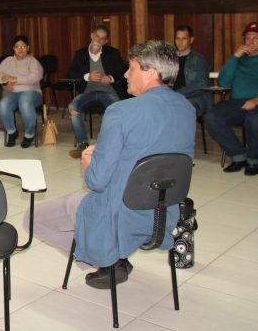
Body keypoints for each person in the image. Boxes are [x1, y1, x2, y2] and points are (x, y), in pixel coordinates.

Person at [25, 40, 195, 289]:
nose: (125, 75)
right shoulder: (187, 108)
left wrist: (87, 162)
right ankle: (112, 258)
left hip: (120, 214)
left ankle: (109, 261)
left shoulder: (120, 111)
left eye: (131, 68)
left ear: (150, 72)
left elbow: (96, 181)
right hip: (163, 213)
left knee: (32, 218)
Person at [204, 21, 258, 176]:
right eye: (248, 37)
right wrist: (235, 57)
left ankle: (253, 160)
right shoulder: (239, 60)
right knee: (211, 116)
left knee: (254, 117)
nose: (251, 41)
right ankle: (238, 155)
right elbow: (223, 82)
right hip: (239, 102)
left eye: (256, 38)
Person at [67, 25, 126, 158]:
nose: (99, 40)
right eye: (97, 36)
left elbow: (122, 73)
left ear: (106, 42)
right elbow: (72, 73)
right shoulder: (80, 53)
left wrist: (110, 78)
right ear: (91, 35)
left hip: (109, 92)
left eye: (102, 38)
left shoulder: (113, 53)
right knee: (73, 107)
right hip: (87, 92)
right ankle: (82, 144)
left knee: (114, 111)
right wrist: (87, 77)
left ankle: (104, 145)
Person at [0, 35, 44, 148]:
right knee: (3, 104)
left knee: (24, 102)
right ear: (13, 48)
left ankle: (29, 134)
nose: (20, 49)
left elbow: (35, 76)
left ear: (28, 48)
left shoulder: (32, 61)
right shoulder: (8, 60)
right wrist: (4, 80)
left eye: (23, 46)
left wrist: (15, 79)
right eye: (17, 46)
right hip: (12, 92)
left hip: (31, 92)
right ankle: (12, 132)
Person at [173, 24, 211, 116]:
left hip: (193, 98)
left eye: (184, 38)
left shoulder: (199, 59)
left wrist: (179, 93)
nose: (180, 42)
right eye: (177, 38)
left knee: (182, 108)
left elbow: (201, 84)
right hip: (172, 97)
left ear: (191, 40)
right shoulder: (169, 59)